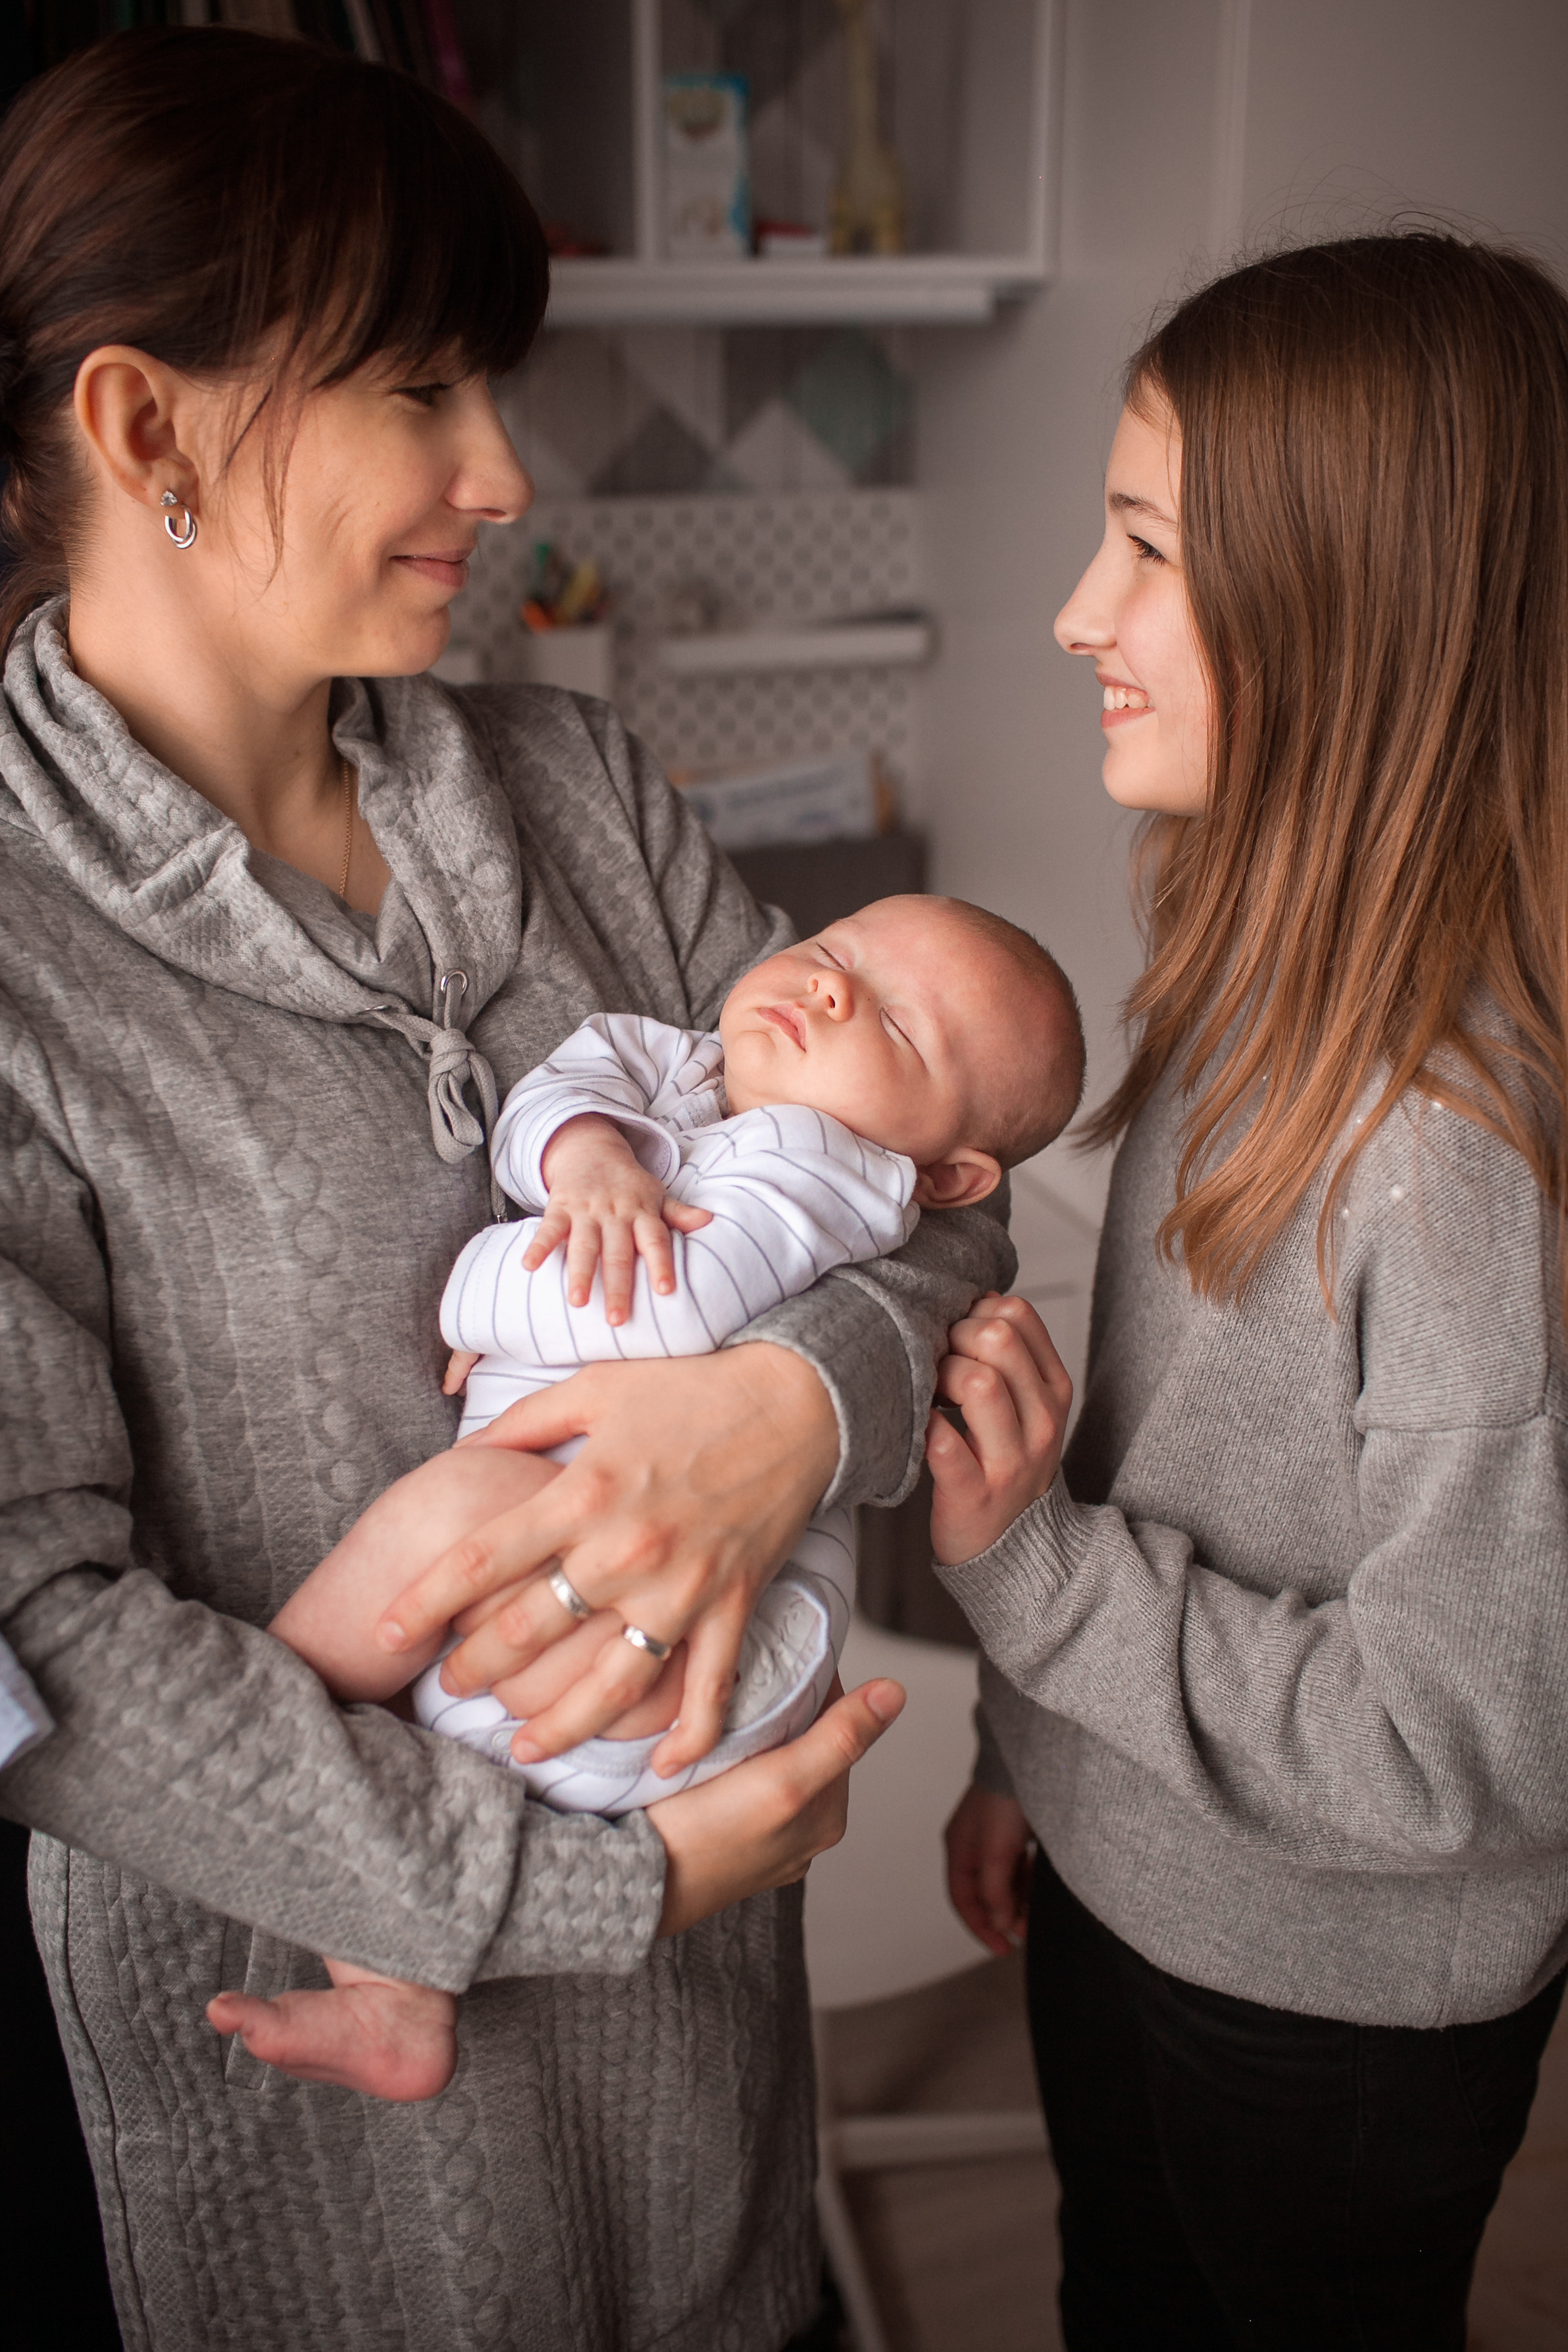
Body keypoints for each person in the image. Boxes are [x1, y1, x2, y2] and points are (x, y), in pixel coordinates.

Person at [0, 30, 1015, 2349]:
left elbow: (934, 1189)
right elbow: (34, 1645)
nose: (504, 470)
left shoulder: (584, 792)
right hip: (313, 2131)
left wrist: (781, 1418)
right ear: (147, 430)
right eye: (420, 389)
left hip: (701, 2115)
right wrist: (591, 1884)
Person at [930, 233, 1568, 2351]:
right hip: (1129, 1859)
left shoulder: (1456, 1150)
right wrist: (1032, 1746)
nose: (1077, 613)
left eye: (1146, 550)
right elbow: (1156, 1451)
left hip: (1331, 1993)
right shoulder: (1247, 977)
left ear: (1347, 607)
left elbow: (1463, 1749)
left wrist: (1034, 1593)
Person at [205, 897, 1085, 2099]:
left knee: (444, 1519)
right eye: (834, 953)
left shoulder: (828, 1171)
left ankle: (253, 1732)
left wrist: (476, 1289)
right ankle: (395, 1988)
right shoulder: (691, 1063)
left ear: (942, 1171)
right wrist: (588, 1157)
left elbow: (658, 1308)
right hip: (614, 1590)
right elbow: (553, 1099)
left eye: (896, 1025)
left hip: (697, 1648)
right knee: (424, 1746)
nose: (831, 989)